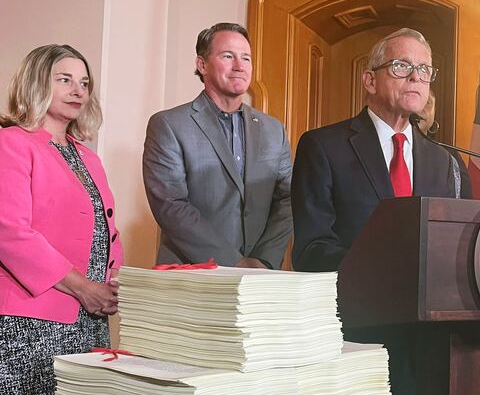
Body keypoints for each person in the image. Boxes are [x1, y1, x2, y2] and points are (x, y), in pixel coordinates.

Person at [291, 28, 470, 393]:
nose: (416, 77)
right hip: (357, 335)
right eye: (402, 66)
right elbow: (311, 250)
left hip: (430, 344)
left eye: (424, 69)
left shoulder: (446, 162)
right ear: (369, 80)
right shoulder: (324, 147)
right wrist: (389, 273)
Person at [0, 44, 124, 394]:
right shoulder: (10, 142)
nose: (78, 91)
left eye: (84, 83)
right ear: (36, 83)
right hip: (28, 320)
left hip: (91, 318)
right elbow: (9, 232)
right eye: (65, 80)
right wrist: (84, 288)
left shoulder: (87, 156)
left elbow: (108, 231)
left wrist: (114, 283)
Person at [143, 22, 292, 269]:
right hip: (193, 276)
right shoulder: (168, 124)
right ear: (202, 65)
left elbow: (286, 200)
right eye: (228, 56)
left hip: (260, 277)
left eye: (246, 58)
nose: (239, 66)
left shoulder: (273, 129)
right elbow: (171, 205)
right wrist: (234, 262)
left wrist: (263, 260)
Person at [416, 90, 472, 199]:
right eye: (417, 100)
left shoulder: (448, 156)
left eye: (428, 102)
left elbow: (466, 203)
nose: (421, 108)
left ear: (434, 112)